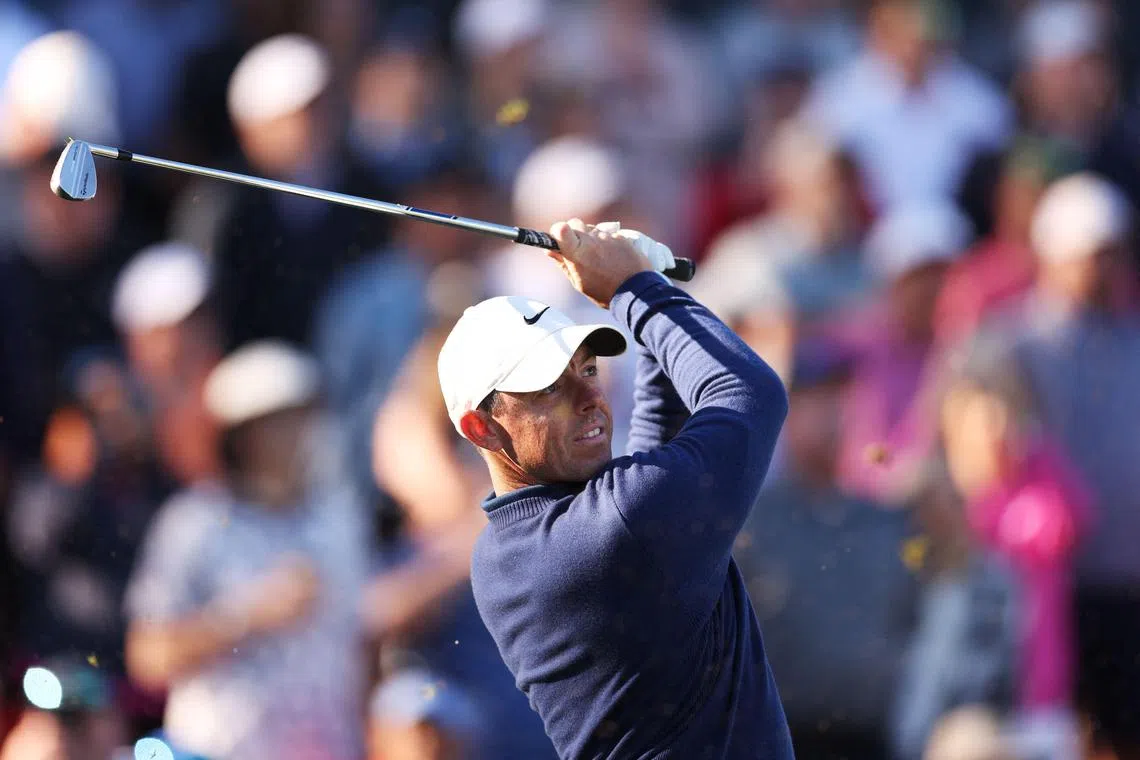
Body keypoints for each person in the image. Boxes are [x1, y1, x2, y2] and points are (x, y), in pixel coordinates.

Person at [437, 220, 793, 757]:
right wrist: (636, 289)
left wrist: (647, 284)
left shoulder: (506, 548)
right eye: (549, 387)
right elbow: (750, 394)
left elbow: (657, 435)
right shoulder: (617, 527)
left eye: (588, 369)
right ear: (480, 427)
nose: (590, 398)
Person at [123, 341, 370, 760]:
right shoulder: (194, 522)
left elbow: (364, 634)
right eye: (277, 422)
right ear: (239, 436)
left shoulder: (339, 518)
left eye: (303, 417)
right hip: (214, 751)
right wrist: (248, 615)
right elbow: (147, 656)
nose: (297, 435)